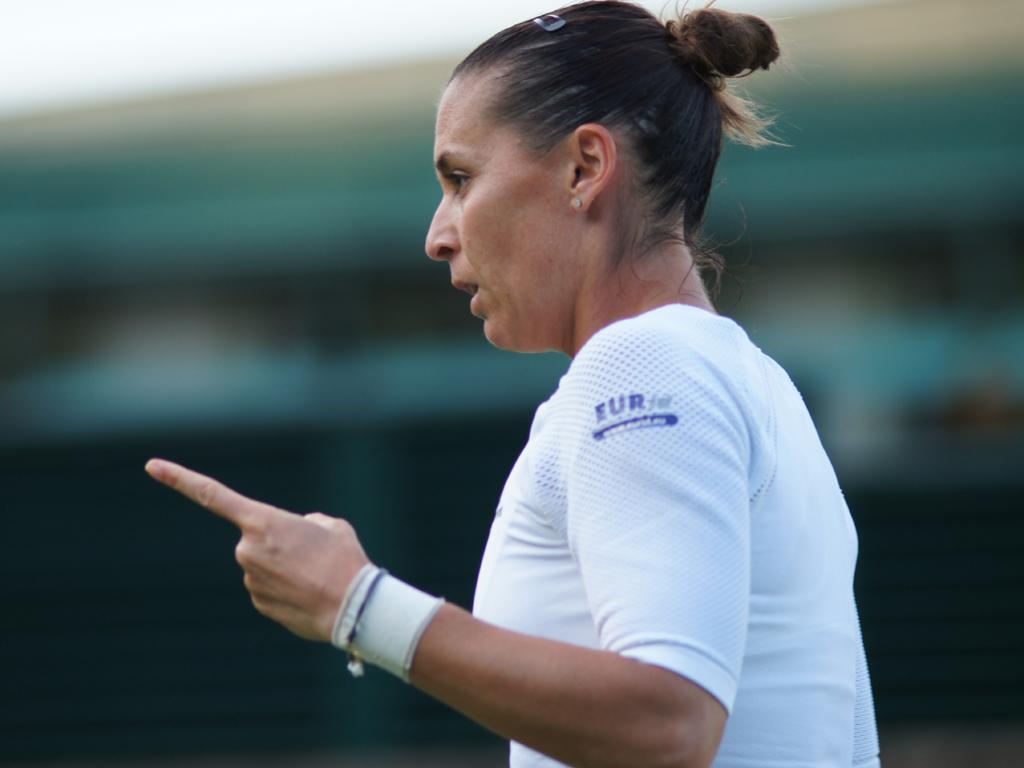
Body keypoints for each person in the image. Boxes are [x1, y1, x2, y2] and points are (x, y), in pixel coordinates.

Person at [146, 2, 881, 766]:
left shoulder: (639, 364)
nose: (437, 236)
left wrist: (355, 602)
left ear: (584, 167)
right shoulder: (760, 386)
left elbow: (671, 723)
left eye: (461, 179)